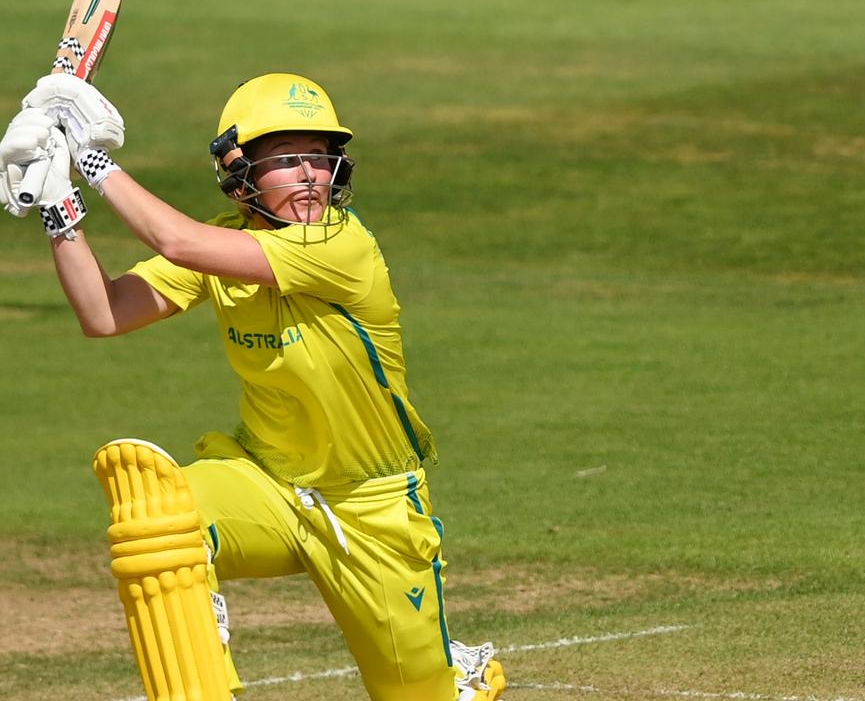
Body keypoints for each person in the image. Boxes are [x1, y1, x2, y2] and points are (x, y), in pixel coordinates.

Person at [0, 72, 507, 701]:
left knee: (416, 694)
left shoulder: (340, 245)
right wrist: (60, 208)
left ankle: (452, 675)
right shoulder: (227, 243)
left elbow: (176, 240)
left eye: (320, 158)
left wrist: (92, 160)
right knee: (159, 512)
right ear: (242, 172)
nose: (310, 175)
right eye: (288, 160)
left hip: (370, 507)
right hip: (267, 482)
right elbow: (103, 314)